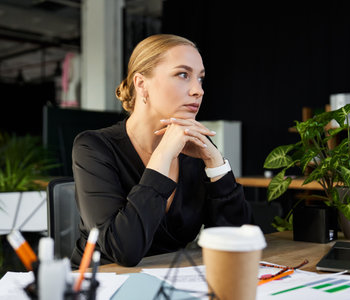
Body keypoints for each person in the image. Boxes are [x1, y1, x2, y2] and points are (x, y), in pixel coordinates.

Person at [70, 34, 251, 268]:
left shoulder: (194, 148)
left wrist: (215, 162)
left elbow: (239, 241)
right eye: (183, 75)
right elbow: (124, 250)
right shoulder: (94, 147)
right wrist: (164, 154)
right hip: (101, 283)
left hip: (171, 281)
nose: (198, 90)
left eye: (201, 79)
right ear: (141, 84)